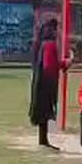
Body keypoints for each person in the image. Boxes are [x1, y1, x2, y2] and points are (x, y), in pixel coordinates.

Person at [28, 18, 68, 150]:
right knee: (45, 110)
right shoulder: (50, 45)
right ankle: (43, 140)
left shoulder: (39, 44)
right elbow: (49, 66)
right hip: (46, 82)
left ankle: (43, 139)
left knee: (41, 110)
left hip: (39, 81)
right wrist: (64, 64)